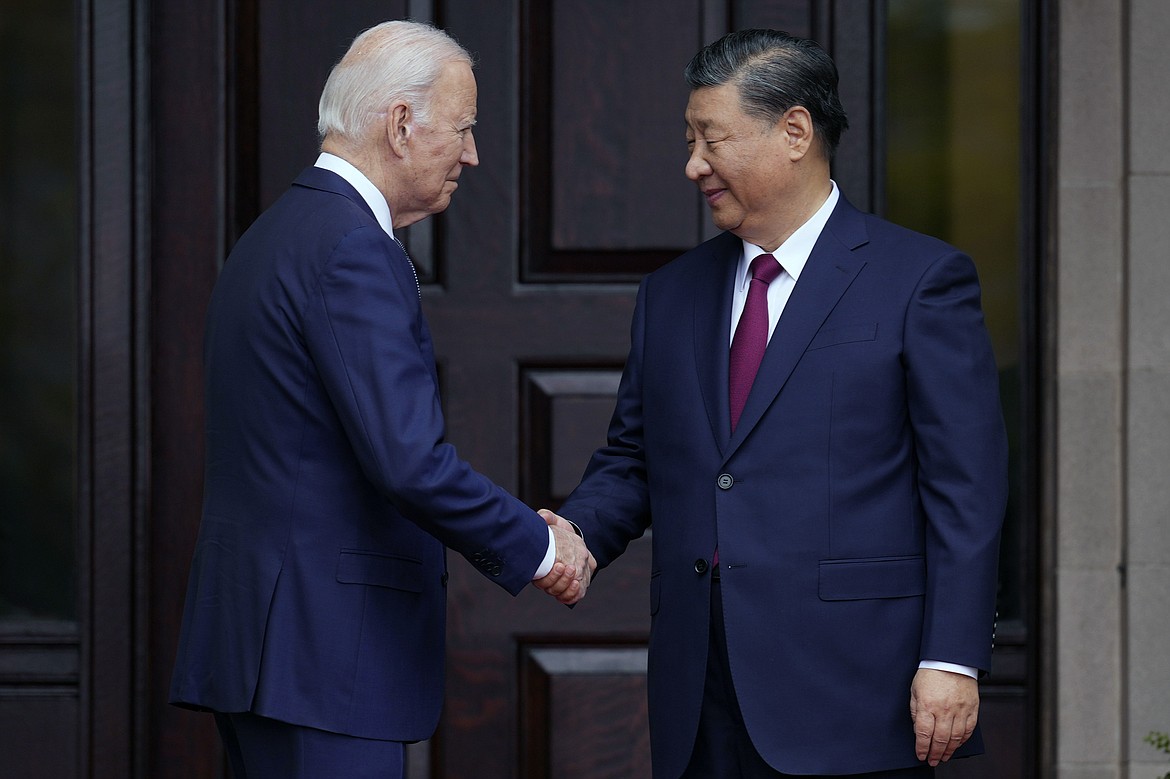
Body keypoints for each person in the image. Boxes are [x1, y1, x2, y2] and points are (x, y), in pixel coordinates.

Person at [544, 29, 1007, 778]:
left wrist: (952, 655)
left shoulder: (919, 280)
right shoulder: (672, 293)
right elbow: (634, 457)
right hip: (701, 688)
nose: (693, 164)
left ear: (795, 131)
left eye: (711, 139)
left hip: (856, 687)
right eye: (689, 139)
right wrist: (575, 535)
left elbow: (966, 488)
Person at [169, 20, 594, 778]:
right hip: (320, 660)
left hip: (269, 652)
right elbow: (410, 463)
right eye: (461, 129)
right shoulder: (351, 250)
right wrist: (540, 546)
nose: (472, 153)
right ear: (400, 124)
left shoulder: (275, 235)